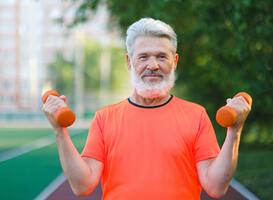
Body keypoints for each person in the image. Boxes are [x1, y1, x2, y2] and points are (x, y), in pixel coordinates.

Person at [42, 18, 251, 200]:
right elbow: (82, 186)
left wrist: (235, 132)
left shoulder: (196, 115)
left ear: (174, 61)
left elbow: (216, 187)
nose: (153, 65)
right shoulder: (104, 118)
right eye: (143, 57)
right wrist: (60, 131)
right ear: (129, 61)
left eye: (162, 56)